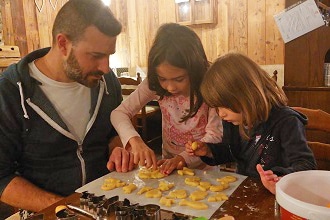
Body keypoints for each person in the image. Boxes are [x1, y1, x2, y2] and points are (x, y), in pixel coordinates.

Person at [0, 0, 134, 214]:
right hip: (47, 213)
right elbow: (2, 178)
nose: (106, 67)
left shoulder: (107, 83)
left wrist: (117, 147)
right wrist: (68, 209)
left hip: (107, 206)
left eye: (109, 55)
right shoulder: (10, 91)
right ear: (62, 44)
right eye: (96, 55)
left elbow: (111, 133)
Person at [186, 52, 316, 194]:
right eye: (217, 107)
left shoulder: (286, 122)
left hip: (278, 195)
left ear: (248, 94)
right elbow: (233, 151)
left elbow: (306, 165)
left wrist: (279, 177)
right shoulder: (235, 120)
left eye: (224, 105)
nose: (221, 114)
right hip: (246, 191)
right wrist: (209, 150)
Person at [111, 23, 223, 175]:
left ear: (194, 68)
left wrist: (182, 158)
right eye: (163, 78)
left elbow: (215, 135)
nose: (170, 87)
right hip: (168, 165)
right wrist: (135, 141)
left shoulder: (210, 84)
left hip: (205, 168)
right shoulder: (154, 84)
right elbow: (119, 113)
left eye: (179, 79)